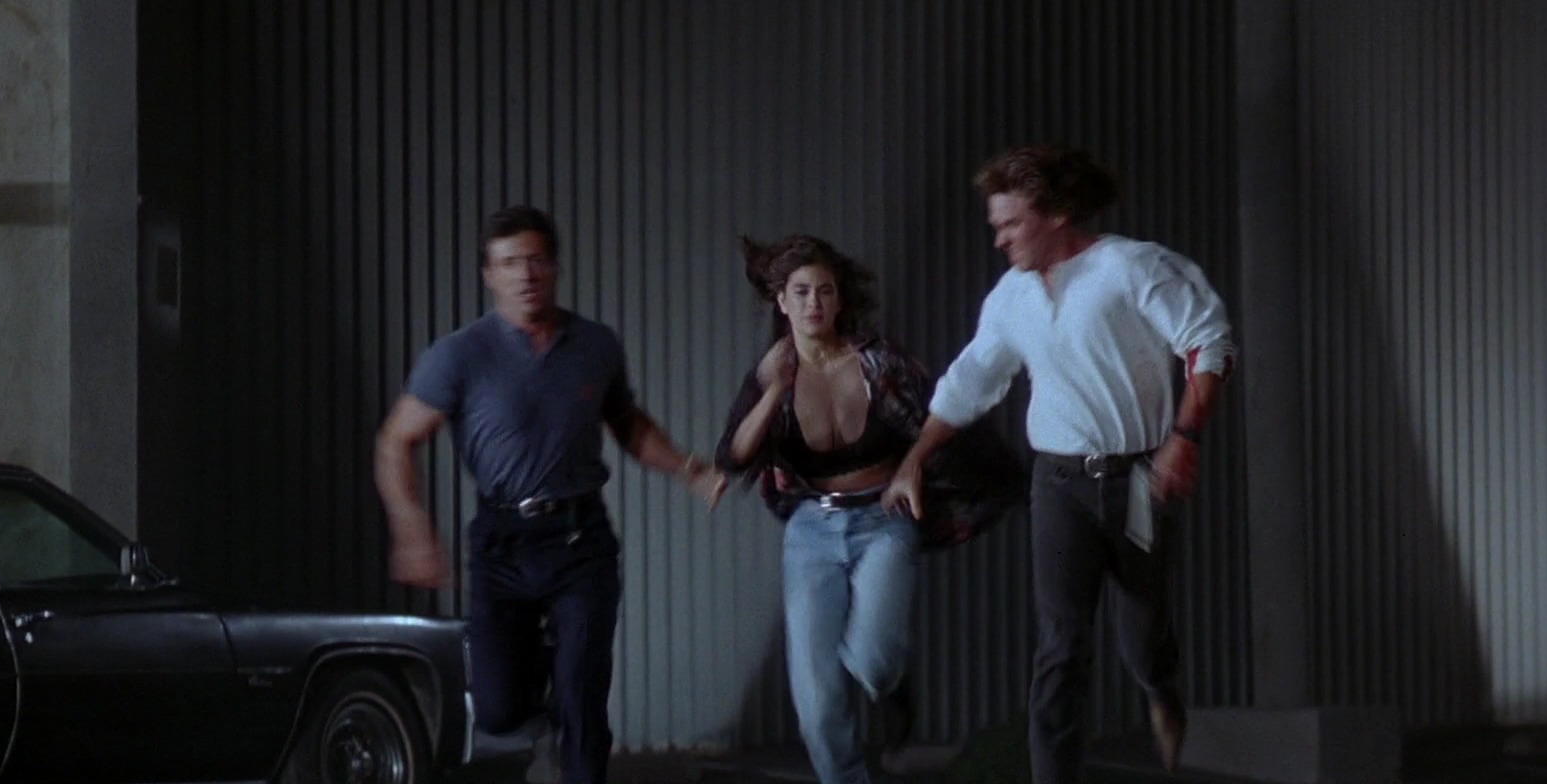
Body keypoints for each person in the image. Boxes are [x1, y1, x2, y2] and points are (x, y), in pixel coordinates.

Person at [883, 145, 1238, 784]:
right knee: (1061, 645)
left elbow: (1208, 344)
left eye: (1011, 224)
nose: (999, 238)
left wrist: (1185, 437)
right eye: (995, 225)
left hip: (1138, 481)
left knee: (1141, 635)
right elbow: (971, 379)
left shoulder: (1132, 267)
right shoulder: (1011, 297)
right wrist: (915, 458)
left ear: (1057, 214)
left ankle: (1159, 689)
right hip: (1059, 485)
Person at [372, 205, 728, 784]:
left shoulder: (595, 345)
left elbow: (628, 424)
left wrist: (689, 469)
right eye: (510, 263)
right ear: (489, 274)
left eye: (537, 260)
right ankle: (549, 681)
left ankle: (573, 707)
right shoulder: (460, 355)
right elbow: (395, 441)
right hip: (502, 542)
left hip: (579, 538)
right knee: (498, 707)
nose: (526, 275)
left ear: (556, 267)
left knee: (583, 694)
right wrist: (412, 528)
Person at [715, 235, 1024, 784]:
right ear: (782, 301)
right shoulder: (771, 372)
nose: (813, 303)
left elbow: (941, 415)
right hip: (811, 531)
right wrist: (774, 391)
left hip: (884, 521)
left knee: (875, 663)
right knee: (816, 704)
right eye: (801, 292)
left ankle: (893, 686)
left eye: (824, 291)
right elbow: (733, 456)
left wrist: (922, 470)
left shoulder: (880, 363)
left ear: (839, 300)